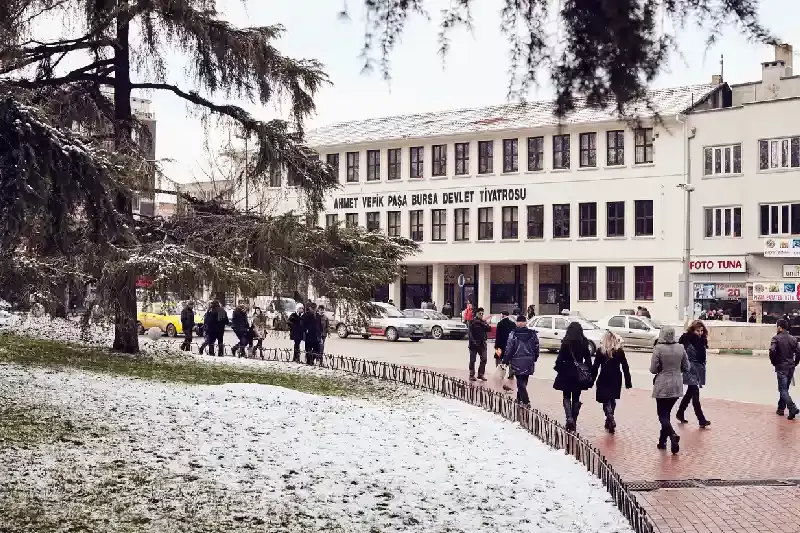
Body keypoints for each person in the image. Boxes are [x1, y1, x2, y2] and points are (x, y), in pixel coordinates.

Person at [650, 326, 689, 454]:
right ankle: (662, 441)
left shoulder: (658, 349)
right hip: (677, 384)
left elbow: (653, 370)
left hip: (662, 385)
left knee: (662, 415)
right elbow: (687, 367)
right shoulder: (681, 348)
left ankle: (672, 435)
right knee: (666, 414)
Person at [553, 321, 594, 431]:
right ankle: (574, 420)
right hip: (578, 374)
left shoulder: (566, 342)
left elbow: (560, 358)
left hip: (566, 372)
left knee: (566, 396)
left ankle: (569, 418)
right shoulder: (584, 342)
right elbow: (588, 359)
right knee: (576, 397)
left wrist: (558, 368)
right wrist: (588, 371)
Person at [591, 331, 632, 434]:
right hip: (616, 377)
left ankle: (610, 418)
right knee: (612, 399)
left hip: (604, 377)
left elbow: (595, 367)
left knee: (605, 400)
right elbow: (625, 367)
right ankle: (610, 420)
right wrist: (628, 382)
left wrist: (591, 380)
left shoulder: (601, 351)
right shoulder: (619, 351)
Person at [677, 320, 710, 428]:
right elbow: (681, 354)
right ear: (692, 330)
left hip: (698, 370)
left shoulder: (702, 340)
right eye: (697, 331)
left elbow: (702, 357)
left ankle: (680, 412)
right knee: (695, 395)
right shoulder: (686, 340)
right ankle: (701, 420)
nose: (700, 333)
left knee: (690, 393)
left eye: (701, 331)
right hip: (690, 369)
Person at [501, 315, 539, 406]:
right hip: (529, 361)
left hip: (516, 361)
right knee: (524, 380)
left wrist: (505, 360)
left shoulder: (513, 334)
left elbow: (509, 348)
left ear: (517, 323)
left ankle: (525, 401)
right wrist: (535, 358)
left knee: (520, 382)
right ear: (525, 323)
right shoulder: (532, 334)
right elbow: (536, 347)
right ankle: (519, 399)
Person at [770, 318, 800, 419]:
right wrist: (795, 363)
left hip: (781, 367)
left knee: (783, 390)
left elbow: (772, 351)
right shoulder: (793, 339)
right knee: (785, 389)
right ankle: (781, 409)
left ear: (779, 327)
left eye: (777, 326)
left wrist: (774, 362)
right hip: (791, 367)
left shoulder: (776, 338)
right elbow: (799, 352)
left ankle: (792, 408)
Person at [467, 306, 490, 382]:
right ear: (476, 313)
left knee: (484, 359)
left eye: (482, 313)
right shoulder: (472, 322)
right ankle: (471, 374)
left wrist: (483, 323)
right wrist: (473, 342)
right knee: (472, 360)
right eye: (480, 313)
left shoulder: (483, 322)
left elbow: (488, 329)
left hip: (482, 344)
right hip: (474, 344)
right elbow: (470, 334)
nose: (481, 314)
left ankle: (480, 374)